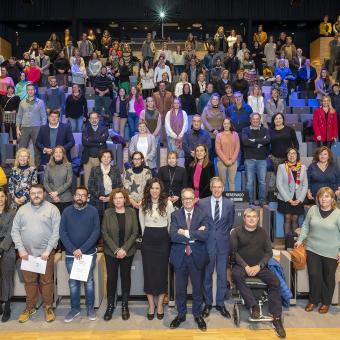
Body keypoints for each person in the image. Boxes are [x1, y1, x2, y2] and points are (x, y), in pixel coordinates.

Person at [231, 208, 286, 338]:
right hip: (242, 266)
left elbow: (269, 253)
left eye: (254, 216)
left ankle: (276, 317)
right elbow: (234, 253)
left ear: (258, 219)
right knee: (236, 275)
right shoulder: (236, 232)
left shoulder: (263, 233)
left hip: (259, 266)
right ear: (244, 218)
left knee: (275, 282)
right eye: (248, 216)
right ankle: (253, 305)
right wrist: (245, 266)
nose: (251, 219)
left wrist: (259, 266)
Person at [11, 184, 60, 323]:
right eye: (33, 193)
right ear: (29, 194)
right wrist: (21, 249)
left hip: (46, 253)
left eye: (39, 192)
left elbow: (56, 232)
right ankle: (30, 307)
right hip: (27, 254)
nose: (36, 195)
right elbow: (15, 231)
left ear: (44, 193)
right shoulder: (22, 210)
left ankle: (48, 307)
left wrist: (48, 250)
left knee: (47, 281)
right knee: (29, 282)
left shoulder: (52, 209)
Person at [169, 187, 209, 331]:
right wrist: (195, 234)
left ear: (195, 199)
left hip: (197, 257)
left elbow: (205, 236)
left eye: (190, 198)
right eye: (185, 198)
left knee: (198, 289)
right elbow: (173, 235)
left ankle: (198, 315)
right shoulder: (175, 215)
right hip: (180, 257)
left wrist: (185, 232)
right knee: (180, 289)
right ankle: (181, 314)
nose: (187, 201)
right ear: (181, 198)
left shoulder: (202, 214)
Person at [296, 187, 340, 314]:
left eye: (327, 196)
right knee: (314, 275)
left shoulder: (338, 214)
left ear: (332, 199)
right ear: (318, 198)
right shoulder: (313, 210)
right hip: (313, 248)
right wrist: (300, 240)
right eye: (321, 196)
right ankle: (313, 301)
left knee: (328, 277)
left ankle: (326, 302)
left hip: (331, 251)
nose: (323, 199)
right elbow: (305, 226)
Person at [60, 186, 100, 322]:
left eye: (83, 195)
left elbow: (96, 232)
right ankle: (75, 309)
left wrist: (82, 249)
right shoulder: (66, 211)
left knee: (89, 282)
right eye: (78, 195)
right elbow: (62, 232)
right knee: (73, 283)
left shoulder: (93, 211)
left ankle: (90, 308)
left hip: (88, 254)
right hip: (71, 255)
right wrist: (73, 249)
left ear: (87, 197)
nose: (80, 197)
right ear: (73, 197)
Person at [197, 177, 234, 318]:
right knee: (207, 275)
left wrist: (221, 235)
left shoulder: (230, 204)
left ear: (223, 188)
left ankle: (220, 303)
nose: (217, 189)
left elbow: (229, 224)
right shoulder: (201, 203)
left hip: (223, 244)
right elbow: (199, 222)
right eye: (214, 187)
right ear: (211, 188)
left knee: (222, 275)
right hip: (207, 244)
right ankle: (207, 303)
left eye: (219, 187)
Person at [139, 178, 174, 320]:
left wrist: (166, 238)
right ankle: (151, 305)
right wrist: (147, 236)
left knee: (161, 273)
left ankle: (159, 304)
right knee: (148, 272)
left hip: (162, 240)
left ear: (161, 190)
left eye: (157, 188)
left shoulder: (168, 203)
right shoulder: (143, 203)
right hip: (148, 240)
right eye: (152, 188)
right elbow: (142, 223)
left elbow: (171, 223)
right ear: (148, 189)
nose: (154, 191)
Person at [102, 188, 138, 321]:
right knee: (111, 278)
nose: (118, 200)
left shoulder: (131, 212)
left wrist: (124, 249)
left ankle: (124, 305)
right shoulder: (107, 213)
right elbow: (104, 233)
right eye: (115, 198)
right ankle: (110, 305)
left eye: (120, 197)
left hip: (127, 252)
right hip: (111, 252)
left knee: (125, 277)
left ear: (125, 199)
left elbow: (135, 232)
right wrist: (116, 250)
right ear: (112, 200)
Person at [276, 148, 308, 249]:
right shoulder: (282, 167)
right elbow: (279, 184)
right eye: (289, 153)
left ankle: (295, 244)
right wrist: (288, 199)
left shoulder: (302, 167)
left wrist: (300, 199)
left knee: (295, 219)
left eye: (294, 153)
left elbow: (305, 185)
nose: (292, 155)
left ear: (297, 155)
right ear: (287, 156)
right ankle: (287, 245)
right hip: (285, 198)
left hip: (298, 198)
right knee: (288, 218)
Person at [242, 113, 270, 206]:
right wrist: (260, 142)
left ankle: (262, 201)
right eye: (253, 119)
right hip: (249, 159)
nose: (255, 121)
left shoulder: (265, 130)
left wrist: (253, 141)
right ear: (250, 120)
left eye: (257, 119)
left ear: (260, 120)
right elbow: (245, 142)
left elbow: (267, 140)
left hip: (262, 160)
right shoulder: (245, 130)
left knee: (262, 182)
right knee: (249, 182)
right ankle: (250, 202)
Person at [88, 149, 123, 221]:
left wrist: (110, 197)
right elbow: (90, 186)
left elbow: (119, 186)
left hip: (112, 201)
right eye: (104, 157)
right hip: (97, 201)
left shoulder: (115, 169)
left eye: (108, 157)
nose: (106, 159)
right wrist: (99, 196)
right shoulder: (94, 170)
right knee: (98, 223)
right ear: (100, 158)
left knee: (110, 223)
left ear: (111, 159)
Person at [16, 83, 46, 164]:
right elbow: (19, 116)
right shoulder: (22, 102)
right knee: (22, 149)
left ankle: (36, 168)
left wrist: (43, 130)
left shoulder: (40, 102)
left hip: (37, 127)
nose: (30, 91)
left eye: (32, 89)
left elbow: (44, 117)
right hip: (24, 127)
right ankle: (20, 168)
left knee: (37, 149)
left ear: (35, 90)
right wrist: (17, 128)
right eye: (28, 90)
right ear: (26, 91)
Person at [123, 151, 152, 233]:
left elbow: (149, 189)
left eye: (138, 159)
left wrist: (141, 202)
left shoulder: (147, 172)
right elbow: (125, 189)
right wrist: (132, 202)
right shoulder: (128, 172)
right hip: (130, 203)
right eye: (134, 159)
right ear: (132, 160)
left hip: (144, 202)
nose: (136, 161)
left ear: (142, 160)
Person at [0, 187, 16, 322]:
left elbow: (11, 233)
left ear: (6, 198)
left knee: (7, 278)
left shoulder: (12, 213)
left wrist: (1, 249)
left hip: (7, 248)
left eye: (2, 196)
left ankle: (7, 307)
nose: (0, 199)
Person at [81, 111, 109, 187]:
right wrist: (99, 143)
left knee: (99, 179)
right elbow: (85, 143)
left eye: (95, 118)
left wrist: (90, 139)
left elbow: (103, 140)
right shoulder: (85, 129)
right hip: (88, 158)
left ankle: (99, 196)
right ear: (89, 120)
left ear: (98, 119)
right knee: (87, 180)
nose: (94, 120)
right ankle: (87, 196)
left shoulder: (104, 129)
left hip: (100, 158)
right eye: (92, 118)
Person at [43, 146, 73, 214]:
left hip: (65, 198)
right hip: (50, 198)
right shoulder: (48, 166)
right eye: (56, 152)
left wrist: (57, 193)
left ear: (63, 154)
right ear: (53, 154)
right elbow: (45, 182)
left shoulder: (68, 165)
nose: (58, 154)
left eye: (60, 152)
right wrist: (53, 195)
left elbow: (69, 182)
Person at [215, 118, 240, 191]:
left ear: (230, 124)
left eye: (228, 123)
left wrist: (232, 160)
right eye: (224, 123)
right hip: (221, 162)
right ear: (222, 125)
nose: (226, 125)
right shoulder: (219, 135)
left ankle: (231, 200)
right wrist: (226, 161)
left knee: (232, 181)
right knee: (222, 182)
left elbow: (237, 148)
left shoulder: (235, 134)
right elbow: (218, 149)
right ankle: (221, 200)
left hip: (233, 162)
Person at [201, 93, 225, 160]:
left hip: (219, 134)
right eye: (213, 99)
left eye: (216, 99)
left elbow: (224, 120)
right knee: (209, 153)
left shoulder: (222, 109)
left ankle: (216, 169)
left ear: (219, 100)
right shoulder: (206, 109)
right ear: (211, 100)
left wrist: (219, 130)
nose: (215, 100)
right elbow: (204, 120)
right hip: (209, 134)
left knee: (217, 154)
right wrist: (212, 130)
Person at [165, 98, 188, 167]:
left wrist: (180, 135)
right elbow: (167, 125)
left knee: (180, 155)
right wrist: (174, 135)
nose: (176, 104)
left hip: (181, 138)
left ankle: (180, 169)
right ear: (173, 104)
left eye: (178, 103)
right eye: (175, 103)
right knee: (172, 155)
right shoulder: (169, 113)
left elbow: (185, 124)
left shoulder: (184, 113)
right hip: (171, 138)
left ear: (180, 104)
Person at [152, 82, 173, 146]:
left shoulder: (170, 94)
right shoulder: (155, 94)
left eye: (163, 86)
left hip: (167, 114)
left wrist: (169, 113)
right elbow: (153, 105)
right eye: (160, 86)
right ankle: (159, 143)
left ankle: (167, 143)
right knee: (159, 129)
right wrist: (157, 113)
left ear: (165, 87)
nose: (162, 87)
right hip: (158, 115)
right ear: (159, 87)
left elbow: (172, 104)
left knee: (167, 129)